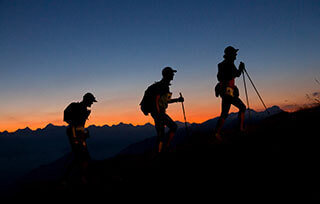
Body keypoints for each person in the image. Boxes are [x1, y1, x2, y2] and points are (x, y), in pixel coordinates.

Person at [140, 67, 184, 153]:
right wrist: (159, 114)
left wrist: (177, 100)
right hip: (159, 113)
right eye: (172, 73)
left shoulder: (164, 86)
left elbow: (165, 101)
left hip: (157, 112)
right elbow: (157, 99)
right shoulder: (163, 86)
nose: (173, 75)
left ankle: (162, 150)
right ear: (167, 75)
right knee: (173, 127)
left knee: (161, 134)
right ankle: (164, 149)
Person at [62, 92, 97, 184]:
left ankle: (75, 177)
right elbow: (73, 124)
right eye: (91, 101)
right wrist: (76, 138)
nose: (92, 104)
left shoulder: (83, 109)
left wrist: (84, 134)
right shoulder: (77, 107)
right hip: (75, 136)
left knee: (81, 157)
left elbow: (78, 125)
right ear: (87, 100)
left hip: (79, 135)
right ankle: (74, 178)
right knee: (80, 157)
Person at [214, 46, 246, 141]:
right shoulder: (229, 64)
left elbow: (221, 78)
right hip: (228, 91)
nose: (236, 55)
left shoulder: (222, 65)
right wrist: (241, 68)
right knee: (242, 107)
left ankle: (217, 132)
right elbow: (236, 74)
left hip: (225, 91)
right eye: (234, 53)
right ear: (230, 55)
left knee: (224, 113)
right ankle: (240, 129)